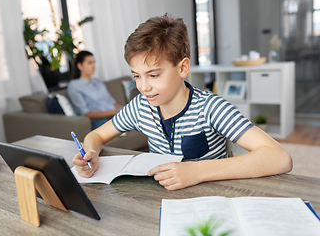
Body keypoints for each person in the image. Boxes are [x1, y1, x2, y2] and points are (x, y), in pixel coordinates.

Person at [72, 14, 293, 191]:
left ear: (182, 68)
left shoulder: (211, 108)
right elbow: (96, 135)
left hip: (211, 197)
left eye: (154, 75)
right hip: (161, 199)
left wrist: (196, 171)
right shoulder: (140, 107)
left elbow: (280, 157)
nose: (143, 87)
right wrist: (91, 153)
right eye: (137, 76)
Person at [67, 50, 122, 130]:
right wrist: (114, 112)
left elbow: (112, 102)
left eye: (94, 62)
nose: (93, 66)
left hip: (113, 114)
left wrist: (122, 109)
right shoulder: (75, 85)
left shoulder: (98, 82)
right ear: (80, 66)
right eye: (89, 63)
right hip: (99, 120)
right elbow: (86, 113)